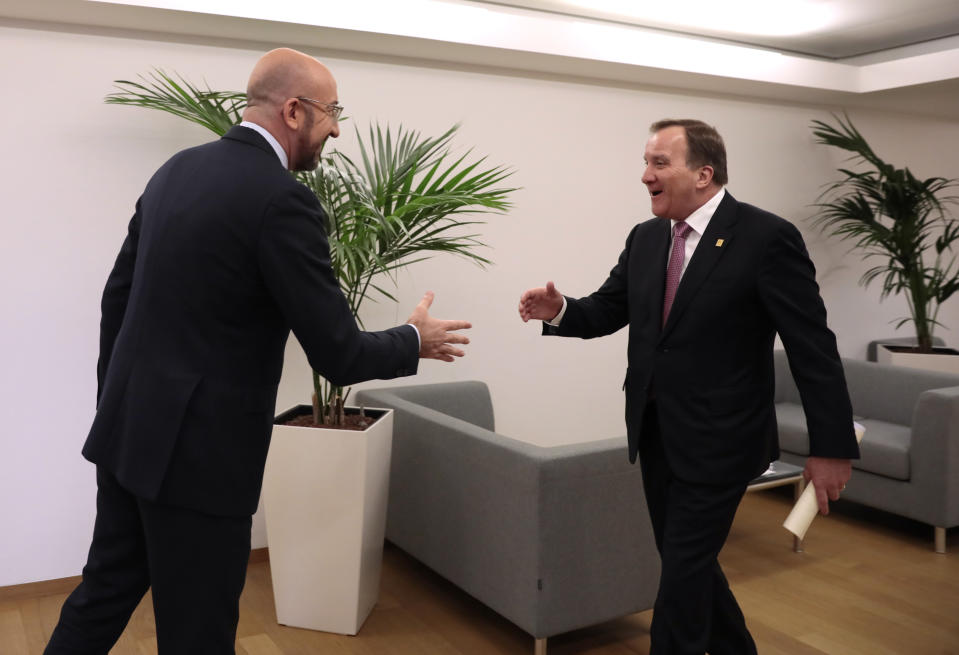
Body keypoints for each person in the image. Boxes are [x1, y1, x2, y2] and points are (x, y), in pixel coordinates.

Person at [45, 48, 471, 655]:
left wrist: (116, 400)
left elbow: (117, 300)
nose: (338, 129)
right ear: (294, 111)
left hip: (127, 433)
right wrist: (413, 340)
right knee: (199, 632)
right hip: (200, 463)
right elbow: (340, 355)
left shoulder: (175, 171)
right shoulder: (283, 201)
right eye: (332, 112)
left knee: (102, 593)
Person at [518, 119, 860, 654]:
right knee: (687, 563)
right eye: (645, 162)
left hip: (723, 440)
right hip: (656, 432)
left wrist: (832, 446)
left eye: (658, 163)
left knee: (679, 580)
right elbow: (611, 309)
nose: (644, 176)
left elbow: (812, 347)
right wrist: (560, 310)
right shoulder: (647, 237)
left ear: (703, 174)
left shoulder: (766, 238)